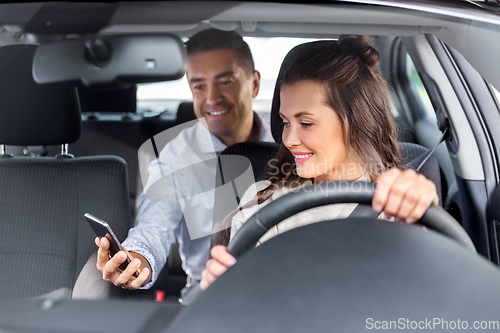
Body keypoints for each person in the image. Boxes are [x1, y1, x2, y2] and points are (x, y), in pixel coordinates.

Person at [200, 36, 439, 291]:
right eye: (286, 122)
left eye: (306, 123)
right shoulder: (262, 200)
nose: (289, 139)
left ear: (355, 123)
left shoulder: (396, 202)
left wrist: (422, 211)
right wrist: (218, 290)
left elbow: (424, 296)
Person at [94, 29, 273, 291]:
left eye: (225, 81)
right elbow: (153, 229)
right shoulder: (176, 157)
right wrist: (134, 262)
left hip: (287, 281)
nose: (211, 98)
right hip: (207, 291)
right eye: (199, 85)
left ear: (254, 83)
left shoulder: (293, 141)